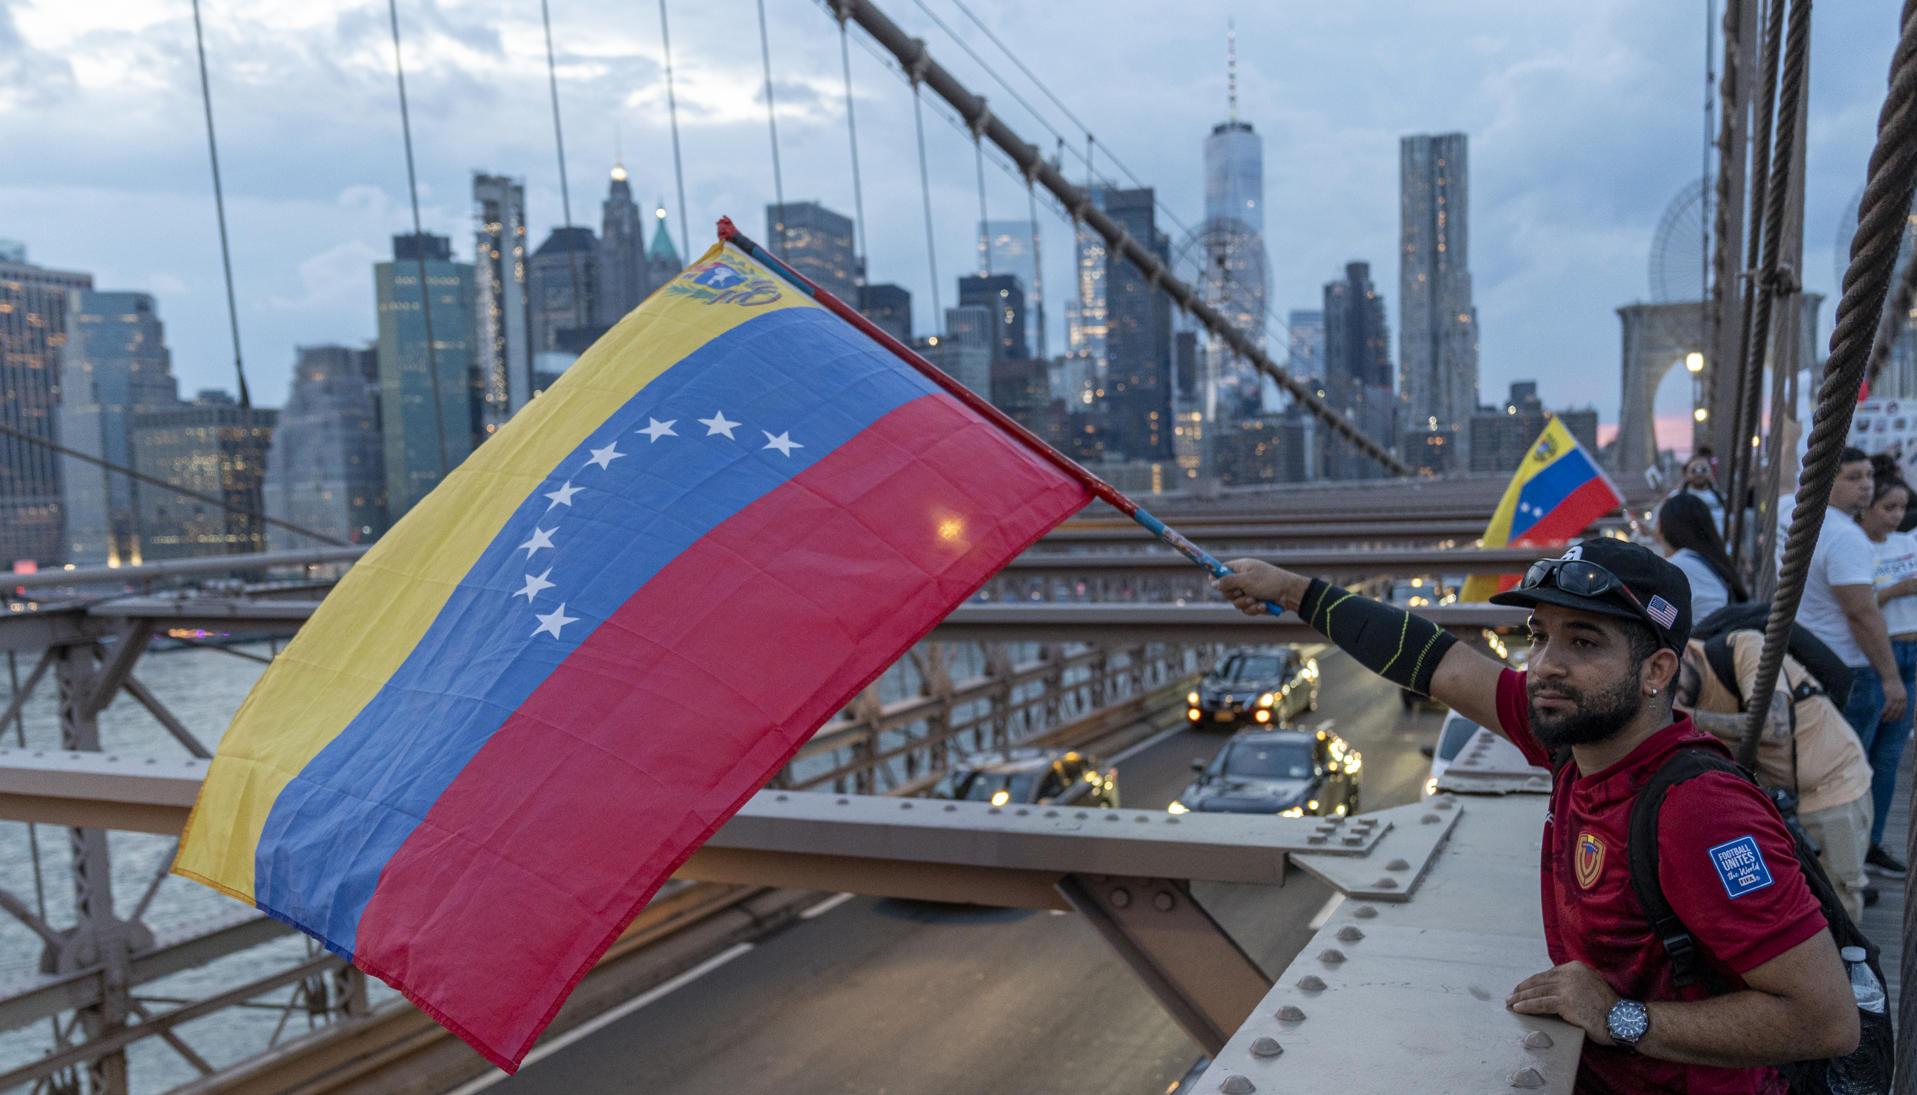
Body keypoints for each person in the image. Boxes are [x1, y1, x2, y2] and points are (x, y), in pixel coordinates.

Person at [1216, 538, 1857, 1092]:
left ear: (1657, 671)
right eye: (1540, 636)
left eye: (1584, 641)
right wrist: (1295, 592)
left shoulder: (1700, 813)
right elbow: (1433, 660)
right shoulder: (1573, 740)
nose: (1548, 664)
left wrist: (1621, 1018)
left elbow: (1825, 1020)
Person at [1671, 629, 1873, 921]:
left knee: (1839, 901)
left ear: (1686, 652)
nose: (1672, 698)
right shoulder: (1677, 690)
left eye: (1675, 687)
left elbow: (1773, 726)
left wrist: (1683, 716)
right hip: (1775, 803)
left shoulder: (1744, 647)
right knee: (1784, 904)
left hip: (1832, 787)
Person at [1792, 447, 1907, 745]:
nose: (1866, 484)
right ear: (1828, 482)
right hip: (1849, 668)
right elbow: (1861, 613)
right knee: (1852, 771)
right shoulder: (1845, 536)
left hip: (1811, 658)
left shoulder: (1805, 521)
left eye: (1869, 475)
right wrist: (1891, 678)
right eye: (1854, 477)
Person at [1859, 465, 1915, 880]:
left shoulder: (1908, 541)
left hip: (1913, 651)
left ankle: (1874, 840)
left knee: (1890, 756)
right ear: (1869, 507)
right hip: (1880, 653)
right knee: (1862, 751)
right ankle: (1856, 843)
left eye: (1902, 507)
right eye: (1888, 507)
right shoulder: (1857, 547)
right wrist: (1896, 590)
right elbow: (1856, 604)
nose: (1896, 515)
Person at [1656, 493, 1747, 621]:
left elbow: (1659, 616)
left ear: (1663, 529)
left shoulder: (1678, 565)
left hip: (1707, 637)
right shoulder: (1711, 562)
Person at [1670, 448, 1730, 532]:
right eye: (1694, 470)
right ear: (1686, 473)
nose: (1699, 474)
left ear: (1710, 472)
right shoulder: (1676, 498)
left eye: (1703, 469)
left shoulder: (1721, 497)